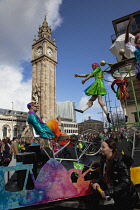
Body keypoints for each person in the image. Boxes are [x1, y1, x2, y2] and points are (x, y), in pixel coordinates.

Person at [92, 139, 139, 210]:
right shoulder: (104, 160)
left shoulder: (120, 162)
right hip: (117, 196)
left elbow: (125, 182)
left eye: (103, 147)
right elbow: (104, 175)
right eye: (101, 147)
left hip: (126, 197)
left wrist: (108, 192)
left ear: (111, 149)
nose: (100, 149)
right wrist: (97, 182)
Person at [125, 16, 140, 81]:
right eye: (138, 38)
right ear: (136, 40)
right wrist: (128, 27)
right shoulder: (134, 48)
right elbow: (126, 42)